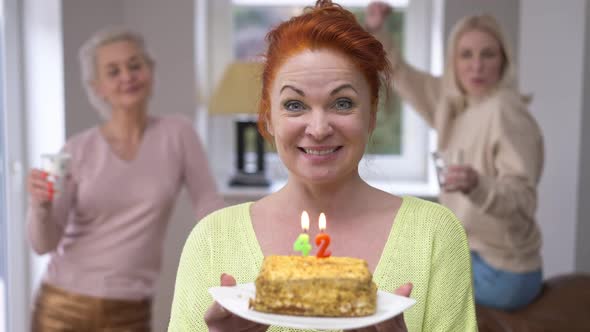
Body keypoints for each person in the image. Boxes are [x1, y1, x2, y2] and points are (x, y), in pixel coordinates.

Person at [168, 1, 477, 331]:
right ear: (268, 117)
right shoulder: (213, 241)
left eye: (342, 103)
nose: (318, 128)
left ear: (371, 114)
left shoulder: (435, 235)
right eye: (294, 104)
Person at [26, 26, 224, 331]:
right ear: (98, 86)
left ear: (151, 70)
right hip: (62, 305)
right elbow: (44, 244)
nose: (127, 77)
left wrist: (235, 255)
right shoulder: (76, 150)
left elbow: (209, 207)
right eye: (113, 71)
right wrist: (40, 209)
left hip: (131, 309)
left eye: (135, 65)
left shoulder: (178, 134)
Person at [366, 2, 545, 310]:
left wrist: (479, 185)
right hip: (469, 251)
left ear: (504, 60)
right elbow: (401, 73)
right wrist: (378, 29)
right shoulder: (453, 104)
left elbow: (523, 199)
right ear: (453, 61)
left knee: (404, 294)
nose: (476, 66)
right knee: (389, 270)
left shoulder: (505, 110)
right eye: (466, 55)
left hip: (502, 268)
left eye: (488, 54)